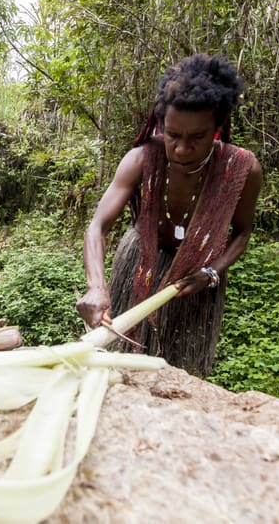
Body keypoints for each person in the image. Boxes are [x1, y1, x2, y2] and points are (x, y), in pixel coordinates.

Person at [76, 53, 263, 377]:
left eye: (197, 138)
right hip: (138, 266)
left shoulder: (243, 169)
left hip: (194, 283)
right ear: (161, 123)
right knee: (122, 368)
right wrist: (96, 286)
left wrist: (212, 272)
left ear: (217, 128)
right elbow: (97, 227)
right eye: (173, 135)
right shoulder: (140, 160)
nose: (180, 148)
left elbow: (242, 232)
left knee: (182, 375)